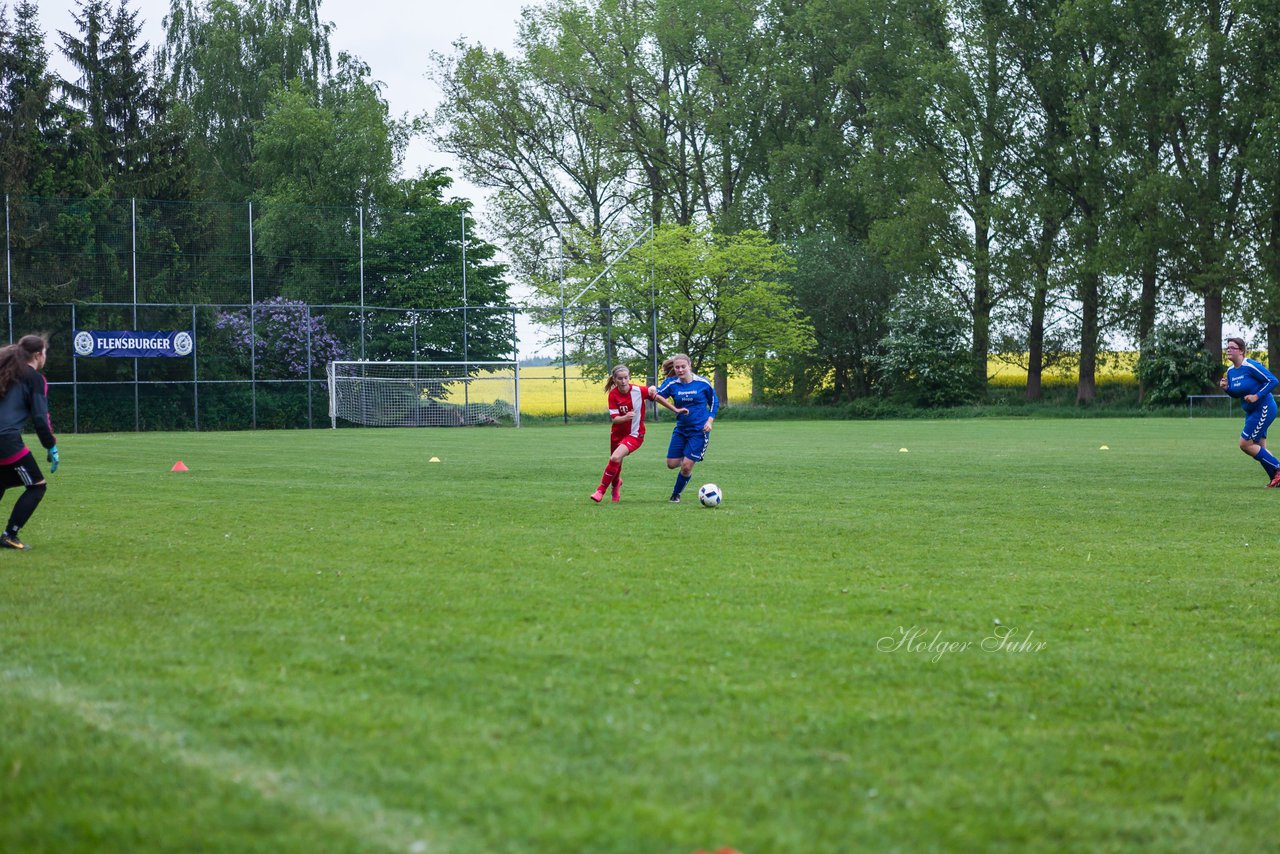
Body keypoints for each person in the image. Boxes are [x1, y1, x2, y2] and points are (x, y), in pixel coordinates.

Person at [591, 364, 685, 503]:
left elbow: (656, 395)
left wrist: (675, 409)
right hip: (617, 434)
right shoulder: (613, 395)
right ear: (614, 380)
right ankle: (616, 484)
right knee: (617, 461)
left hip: (635, 435)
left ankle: (600, 490)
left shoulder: (638, 390)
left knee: (615, 458)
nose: (623, 381)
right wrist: (625, 417)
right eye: (620, 378)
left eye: (625, 378)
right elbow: (615, 419)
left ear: (629, 378)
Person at [0, 334, 59, 550]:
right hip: (5, 440)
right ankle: (9, 535)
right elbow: (40, 420)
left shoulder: (7, 372)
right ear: (37, 355)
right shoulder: (34, 378)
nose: (46, 356)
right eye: (45, 352)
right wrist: (50, 446)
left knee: (2, 481)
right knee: (36, 486)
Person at [656, 353, 719, 503]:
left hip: (699, 431)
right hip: (681, 429)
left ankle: (676, 494)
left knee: (686, 467)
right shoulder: (671, 383)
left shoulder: (703, 383)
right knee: (671, 464)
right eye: (677, 367)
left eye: (683, 367)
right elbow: (658, 396)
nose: (680, 370)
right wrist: (675, 409)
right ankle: (688, 457)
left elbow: (714, 402)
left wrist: (709, 421)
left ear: (689, 366)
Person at [1219, 336, 1280, 487]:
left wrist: (1256, 396)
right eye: (1227, 347)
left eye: (1232, 347)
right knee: (1260, 449)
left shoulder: (1251, 365)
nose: (1228, 350)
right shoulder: (1231, 371)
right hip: (1251, 412)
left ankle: (1278, 468)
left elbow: (1273, 381)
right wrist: (1227, 389)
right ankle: (1276, 479)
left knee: (1245, 444)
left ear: (1241, 351)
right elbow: (1236, 393)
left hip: (1264, 407)